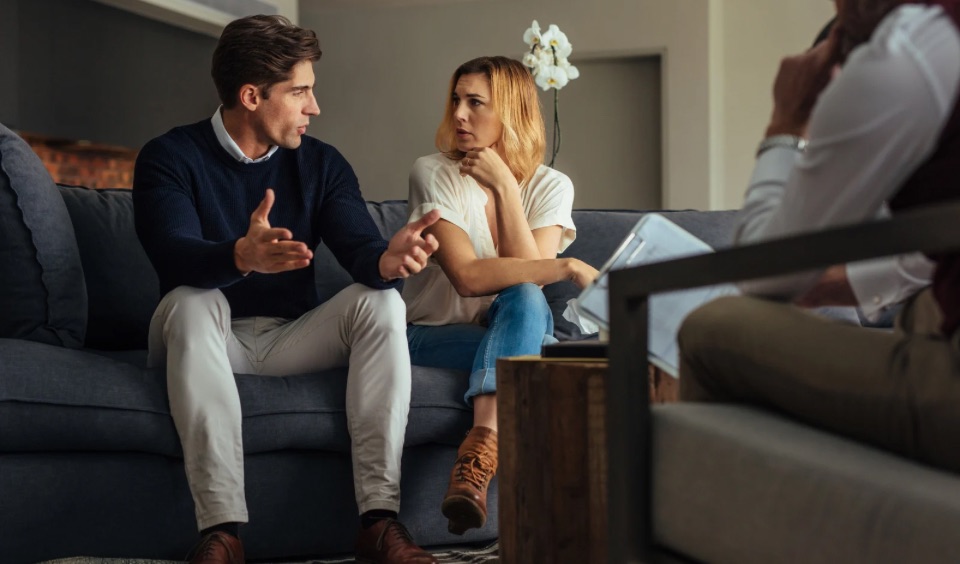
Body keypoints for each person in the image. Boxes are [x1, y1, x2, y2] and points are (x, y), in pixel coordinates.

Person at [133, 15, 441, 564]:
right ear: (252, 95)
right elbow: (171, 253)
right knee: (194, 299)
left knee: (379, 302)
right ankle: (222, 533)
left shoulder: (321, 164)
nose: (314, 107)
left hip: (287, 339)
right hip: (200, 337)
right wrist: (239, 256)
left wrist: (387, 263)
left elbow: (361, 253)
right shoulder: (169, 157)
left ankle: (378, 522)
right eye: (300, 91)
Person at [678, 0, 960, 473]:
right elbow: (920, 256)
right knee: (920, 311)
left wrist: (785, 125)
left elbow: (765, 274)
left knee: (710, 330)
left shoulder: (905, 54)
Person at [401, 56, 598, 535]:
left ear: (510, 111)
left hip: (505, 331)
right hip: (428, 334)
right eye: (456, 100)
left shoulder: (551, 186)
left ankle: (479, 453)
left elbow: (526, 283)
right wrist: (569, 266)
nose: (460, 114)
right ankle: (498, 455)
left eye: (475, 103)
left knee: (527, 305)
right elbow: (467, 276)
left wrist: (508, 188)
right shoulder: (433, 172)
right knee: (538, 358)